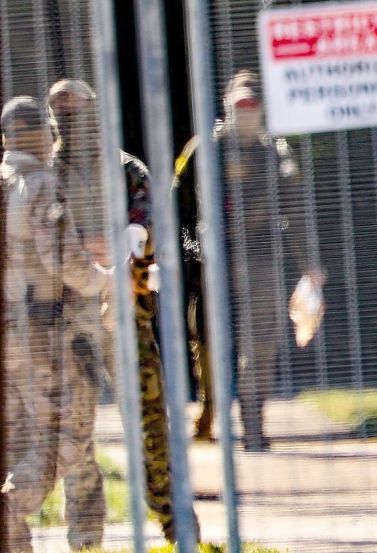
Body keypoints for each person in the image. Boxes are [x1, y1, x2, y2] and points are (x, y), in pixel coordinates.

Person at [47, 78, 199, 543]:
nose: (70, 121)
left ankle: (176, 523)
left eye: (77, 110)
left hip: (123, 313)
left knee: (149, 418)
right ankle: (86, 537)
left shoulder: (125, 168)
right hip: (66, 320)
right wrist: (77, 251)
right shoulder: (45, 172)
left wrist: (124, 244)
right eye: (61, 112)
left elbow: (152, 221)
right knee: (75, 430)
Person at [174, 70, 320, 452]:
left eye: (252, 105)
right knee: (209, 343)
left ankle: (253, 425)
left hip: (261, 258)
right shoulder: (203, 150)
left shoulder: (275, 152)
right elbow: (179, 208)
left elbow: (294, 209)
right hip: (212, 264)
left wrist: (309, 262)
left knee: (261, 347)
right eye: (240, 105)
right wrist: (191, 256)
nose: (246, 111)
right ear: (227, 106)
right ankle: (210, 411)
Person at [1, 96, 111, 552]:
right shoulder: (41, 185)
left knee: (16, 442)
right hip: (42, 334)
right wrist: (107, 281)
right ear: (44, 135)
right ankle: (12, 503)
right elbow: (64, 260)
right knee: (69, 435)